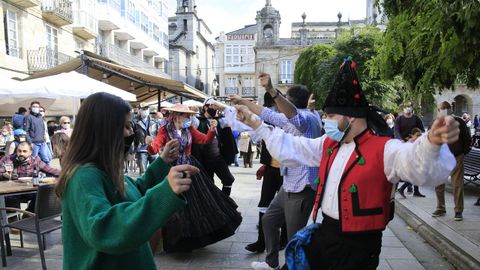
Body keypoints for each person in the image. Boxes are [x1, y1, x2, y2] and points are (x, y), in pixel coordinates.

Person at [234, 58, 458, 270]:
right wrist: (256, 124)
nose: (325, 120)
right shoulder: (329, 144)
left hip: (359, 246)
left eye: (330, 116)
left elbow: (415, 163)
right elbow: (294, 146)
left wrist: (431, 143)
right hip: (327, 234)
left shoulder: (384, 149)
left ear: (350, 118)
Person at [55, 92, 199, 269]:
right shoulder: (83, 176)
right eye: (126, 126)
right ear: (103, 131)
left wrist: (162, 163)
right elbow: (103, 229)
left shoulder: (104, 169)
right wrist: (163, 194)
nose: (131, 133)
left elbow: (133, 191)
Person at [229, 72, 321, 270]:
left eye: (284, 101)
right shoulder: (293, 118)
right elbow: (265, 113)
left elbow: (292, 115)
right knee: (269, 220)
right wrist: (242, 100)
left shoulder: (306, 119)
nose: (280, 105)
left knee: (296, 237)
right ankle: (271, 263)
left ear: (290, 102)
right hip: (288, 184)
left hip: (303, 189)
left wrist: (271, 90)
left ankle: (292, 267)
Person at [147, 103, 242, 252]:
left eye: (189, 115)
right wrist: (149, 145)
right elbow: (155, 146)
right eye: (186, 115)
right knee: (175, 206)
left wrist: (211, 130)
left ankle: (193, 239)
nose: (189, 118)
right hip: (172, 171)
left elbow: (205, 140)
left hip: (189, 168)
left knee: (195, 206)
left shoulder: (189, 129)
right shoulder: (164, 130)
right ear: (177, 116)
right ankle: (176, 242)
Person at [432, 101, 472, 221]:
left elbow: (467, 139)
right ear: (439, 111)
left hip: (456, 156)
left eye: (446, 108)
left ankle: (458, 210)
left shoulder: (459, 122)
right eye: (441, 108)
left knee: (457, 184)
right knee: (438, 184)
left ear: (451, 109)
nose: (444, 110)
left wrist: (462, 153)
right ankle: (440, 207)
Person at [0, 142, 60, 212]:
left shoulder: (35, 160)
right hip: (10, 192)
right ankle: (11, 220)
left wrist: (66, 174)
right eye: (19, 151)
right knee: (8, 200)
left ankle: (28, 215)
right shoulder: (8, 159)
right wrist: (3, 175)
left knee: (41, 195)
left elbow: (51, 170)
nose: (21, 153)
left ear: (30, 152)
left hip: (28, 191)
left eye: (24, 151)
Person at [194, 100, 238, 196]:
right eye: (212, 106)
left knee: (228, 179)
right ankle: (213, 206)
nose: (215, 108)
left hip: (218, 158)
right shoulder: (198, 121)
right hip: (204, 160)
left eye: (216, 106)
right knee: (208, 184)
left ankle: (225, 202)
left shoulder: (220, 121)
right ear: (205, 107)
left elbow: (232, 119)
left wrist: (222, 107)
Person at [395, 101, 426, 197]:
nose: (407, 108)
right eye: (406, 107)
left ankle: (414, 190)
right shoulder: (399, 119)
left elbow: (422, 131)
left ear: (412, 108)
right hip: (403, 146)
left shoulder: (416, 119)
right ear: (403, 108)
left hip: (415, 146)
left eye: (409, 106)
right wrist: (401, 140)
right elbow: (396, 131)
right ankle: (399, 187)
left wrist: (414, 137)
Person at [133, 103, 158, 174]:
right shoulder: (135, 122)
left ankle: (153, 185)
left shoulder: (154, 121)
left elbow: (159, 135)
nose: (145, 111)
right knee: (143, 173)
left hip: (153, 149)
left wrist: (159, 148)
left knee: (155, 171)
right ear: (139, 110)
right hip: (141, 149)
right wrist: (132, 150)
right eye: (143, 109)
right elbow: (133, 136)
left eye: (147, 109)